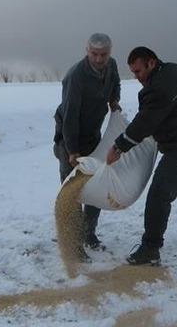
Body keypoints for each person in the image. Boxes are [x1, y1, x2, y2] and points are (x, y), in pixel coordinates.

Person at [106, 46, 177, 266]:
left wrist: (119, 147)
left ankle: (151, 248)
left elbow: (145, 122)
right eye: (133, 73)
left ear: (151, 62)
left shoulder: (158, 87)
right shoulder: (176, 71)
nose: (137, 77)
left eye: (138, 71)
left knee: (159, 194)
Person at [53, 33, 121, 251]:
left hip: (93, 135)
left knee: (96, 186)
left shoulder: (111, 66)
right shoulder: (76, 76)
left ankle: (88, 233)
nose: (100, 59)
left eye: (104, 54)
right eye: (95, 54)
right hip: (69, 136)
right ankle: (73, 243)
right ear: (87, 50)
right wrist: (72, 151)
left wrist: (113, 99)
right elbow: (70, 115)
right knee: (72, 189)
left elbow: (115, 82)